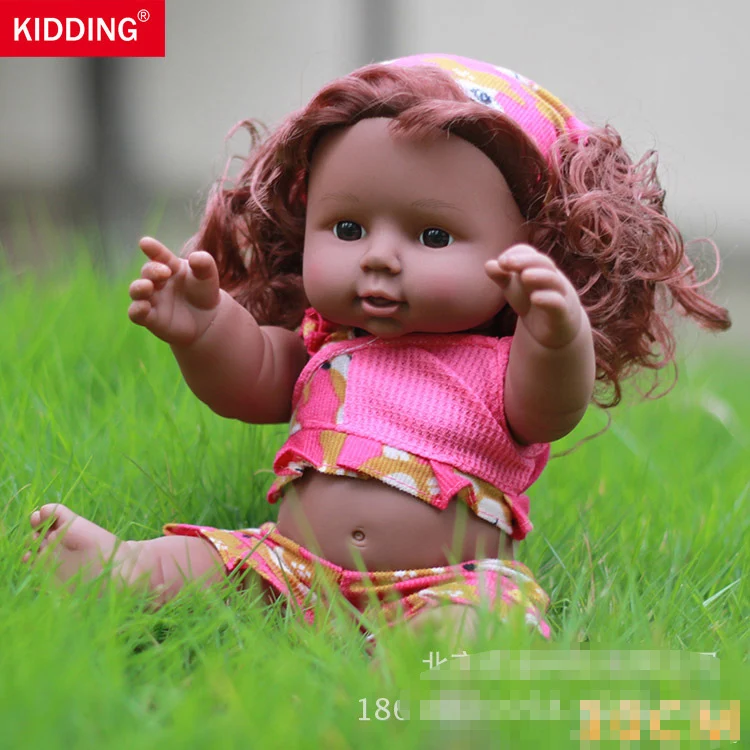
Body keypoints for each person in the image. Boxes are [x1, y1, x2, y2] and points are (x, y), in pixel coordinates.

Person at [26, 54, 730, 647]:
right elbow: (250, 378)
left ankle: (416, 670)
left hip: (446, 584)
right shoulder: (321, 345)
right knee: (210, 560)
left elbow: (549, 409)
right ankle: (121, 571)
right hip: (297, 568)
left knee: (477, 623)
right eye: (348, 228)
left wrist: (557, 331)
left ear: (529, 246)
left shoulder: (501, 364)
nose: (379, 258)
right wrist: (205, 328)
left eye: (432, 237)